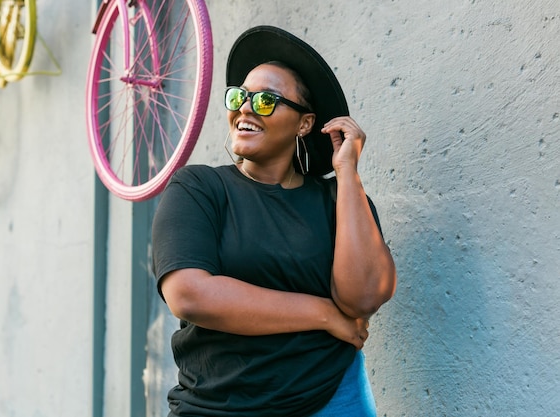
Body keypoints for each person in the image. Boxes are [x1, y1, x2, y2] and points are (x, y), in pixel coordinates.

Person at [151, 26, 397, 417]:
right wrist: (325, 315)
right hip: (216, 408)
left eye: (266, 100)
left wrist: (347, 172)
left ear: (304, 123)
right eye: (239, 96)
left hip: (331, 400)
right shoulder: (199, 188)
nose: (245, 108)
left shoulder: (340, 201)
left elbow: (364, 297)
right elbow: (190, 294)